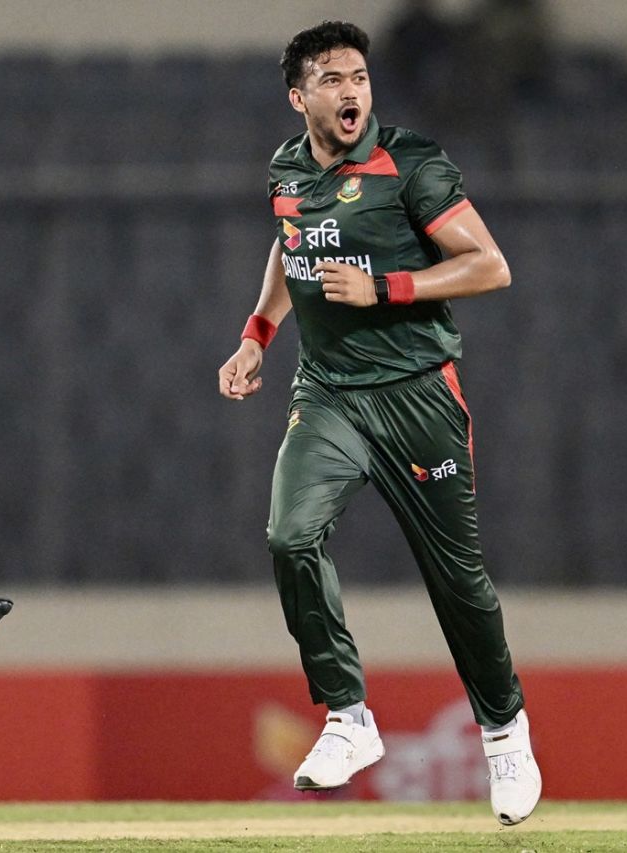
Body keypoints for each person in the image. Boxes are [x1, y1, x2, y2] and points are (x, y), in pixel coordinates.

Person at [217, 21, 542, 825]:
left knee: (456, 581)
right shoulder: (286, 168)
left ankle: (504, 733)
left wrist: (388, 288)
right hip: (328, 393)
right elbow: (292, 244)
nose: (351, 90)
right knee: (291, 535)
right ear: (299, 98)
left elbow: (490, 265)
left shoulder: (414, 165)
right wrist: (257, 334)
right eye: (331, 79)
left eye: (359, 76)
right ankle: (346, 716)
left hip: (418, 395)